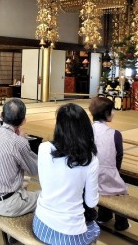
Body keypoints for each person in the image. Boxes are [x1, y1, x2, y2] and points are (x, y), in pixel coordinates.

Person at [33, 103, 100, 245]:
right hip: (70, 234)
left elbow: (44, 182)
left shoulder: (44, 148)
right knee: (94, 227)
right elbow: (91, 202)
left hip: (41, 224)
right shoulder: (90, 160)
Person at [0, 98, 39, 217]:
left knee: (24, 182)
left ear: (2, 116)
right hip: (7, 205)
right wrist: (23, 139)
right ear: (23, 121)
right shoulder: (19, 142)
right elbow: (35, 169)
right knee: (43, 197)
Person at [89, 97, 129, 231]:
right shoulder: (115, 134)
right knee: (119, 188)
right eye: (112, 110)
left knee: (103, 180)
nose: (114, 112)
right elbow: (119, 157)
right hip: (107, 176)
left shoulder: (87, 131)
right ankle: (121, 222)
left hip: (89, 177)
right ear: (106, 113)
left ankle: (104, 215)